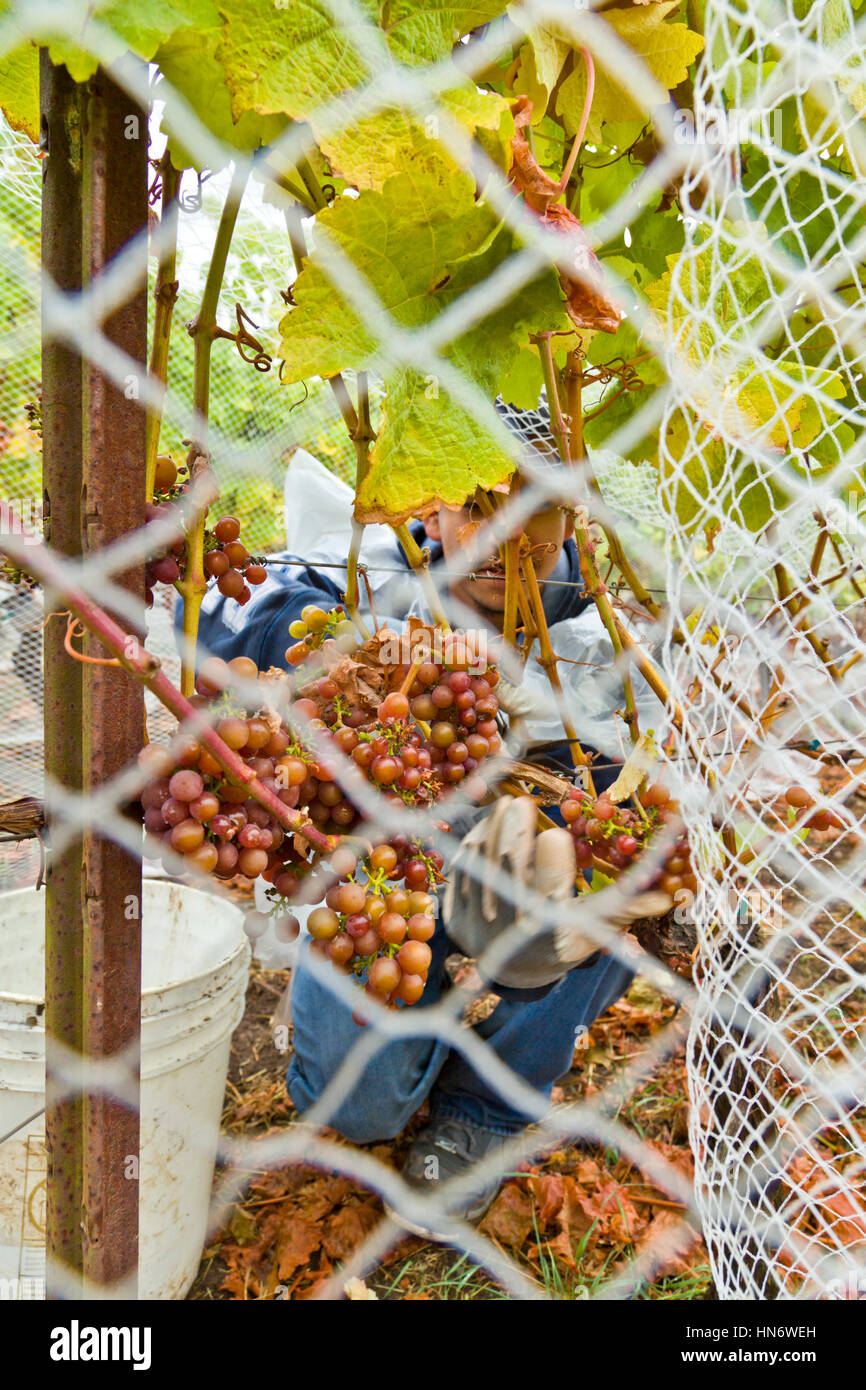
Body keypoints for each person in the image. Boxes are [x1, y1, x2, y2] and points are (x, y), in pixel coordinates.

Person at [188, 402, 661, 1233]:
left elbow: (640, 812)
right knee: (356, 1105)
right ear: (429, 505)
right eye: (476, 504)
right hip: (394, 862)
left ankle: (489, 1105)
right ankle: (385, 1057)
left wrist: (558, 781)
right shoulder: (379, 572)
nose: (507, 534)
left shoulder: (609, 631)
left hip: (518, 864)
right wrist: (339, 658)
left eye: (535, 504)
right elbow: (251, 607)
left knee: (623, 868)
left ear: (572, 507)